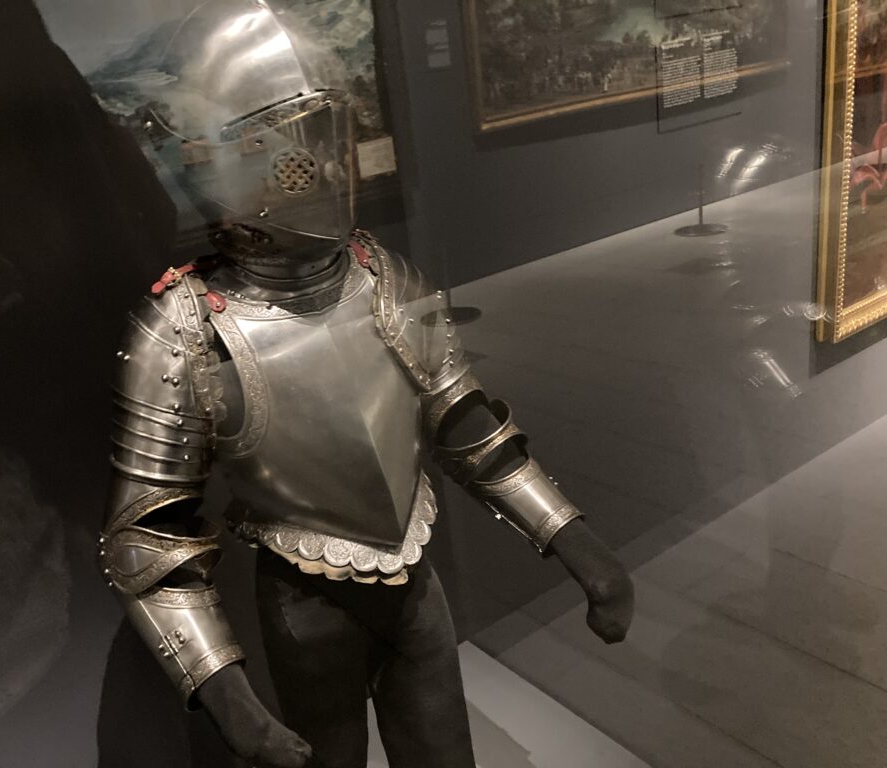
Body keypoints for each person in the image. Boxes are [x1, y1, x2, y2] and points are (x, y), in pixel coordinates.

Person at [99, 2, 634, 767]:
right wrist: (228, 698)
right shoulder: (184, 329)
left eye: (320, 133)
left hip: (414, 588)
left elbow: (466, 427)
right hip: (305, 605)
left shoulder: (382, 276)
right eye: (284, 142)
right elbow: (147, 541)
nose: (317, 165)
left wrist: (577, 543)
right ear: (218, 158)